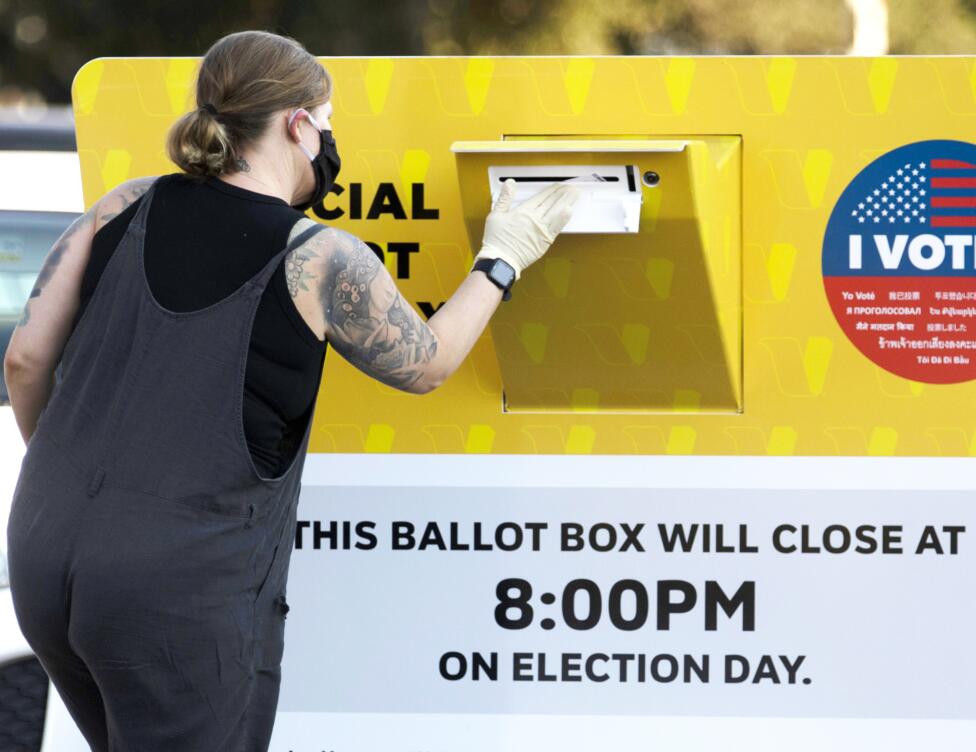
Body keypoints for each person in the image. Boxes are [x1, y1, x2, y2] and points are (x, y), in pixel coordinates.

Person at [3, 30, 578, 751]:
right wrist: (502, 257)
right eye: (327, 122)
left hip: (40, 548)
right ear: (297, 124)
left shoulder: (125, 204)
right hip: (171, 589)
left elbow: (25, 359)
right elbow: (427, 363)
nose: (330, 141)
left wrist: (77, 489)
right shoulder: (320, 256)